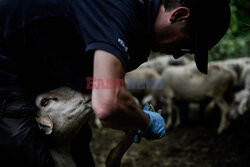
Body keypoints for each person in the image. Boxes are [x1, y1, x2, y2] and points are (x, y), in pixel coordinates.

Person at [0, 0, 231, 166]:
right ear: (178, 14)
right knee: (27, 149)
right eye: (185, 46)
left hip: (40, 63)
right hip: (6, 57)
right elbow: (107, 105)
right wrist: (144, 120)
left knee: (78, 150)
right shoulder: (119, 11)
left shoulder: (138, 33)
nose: (178, 56)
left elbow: (95, 84)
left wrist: (128, 113)